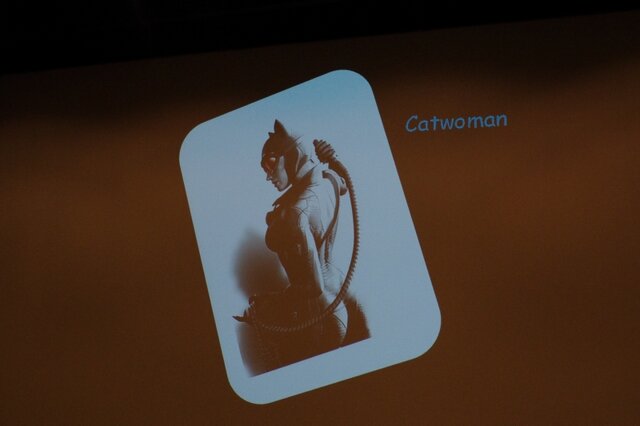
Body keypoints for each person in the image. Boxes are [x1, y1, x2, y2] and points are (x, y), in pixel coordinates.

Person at [245, 119, 368, 370]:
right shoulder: (328, 179)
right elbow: (344, 183)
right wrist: (331, 158)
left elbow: (312, 287)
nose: (268, 175)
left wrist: (270, 304)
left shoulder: (295, 212)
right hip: (343, 297)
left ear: (293, 156)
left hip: (319, 318)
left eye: (270, 163)